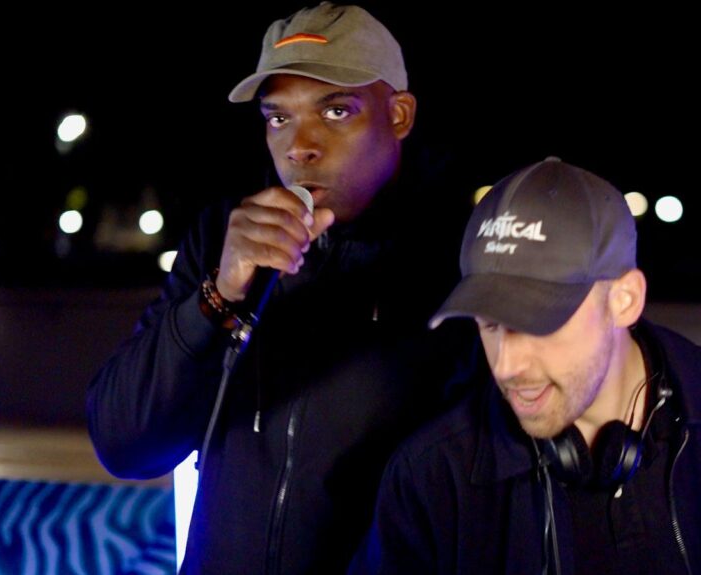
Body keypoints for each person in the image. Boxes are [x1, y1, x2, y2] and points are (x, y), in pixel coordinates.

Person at [87, 4, 471, 573]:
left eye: (336, 111)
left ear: (399, 115)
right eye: (277, 118)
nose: (299, 145)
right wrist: (218, 296)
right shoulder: (224, 239)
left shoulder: (458, 261)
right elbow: (126, 447)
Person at [354, 158, 701, 574]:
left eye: (538, 324)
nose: (507, 366)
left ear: (624, 300)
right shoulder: (432, 476)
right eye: (489, 325)